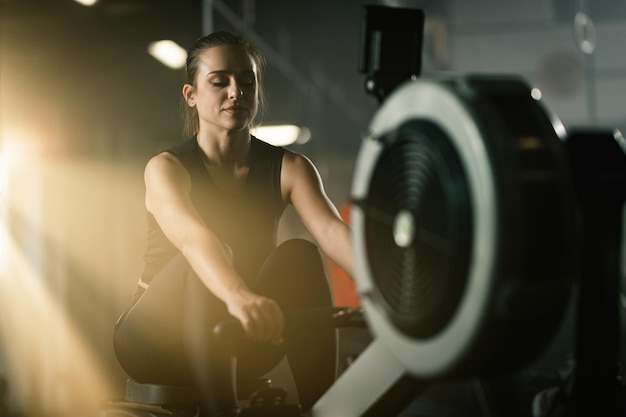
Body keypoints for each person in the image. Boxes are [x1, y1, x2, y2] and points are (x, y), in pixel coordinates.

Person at [112, 30, 354, 417]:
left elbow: (332, 232)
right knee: (211, 252)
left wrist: (393, 296)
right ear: (191, 96)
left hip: (236, 335)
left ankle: (325, 410)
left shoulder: (290, 168)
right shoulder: (166, 168)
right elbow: (194, 239)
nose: (235, 92)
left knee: (301, 253)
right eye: (219, 81)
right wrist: (239, 296)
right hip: (153, 341)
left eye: (246, 81)